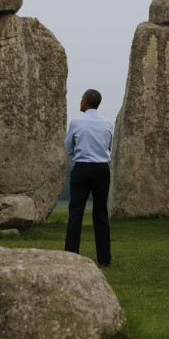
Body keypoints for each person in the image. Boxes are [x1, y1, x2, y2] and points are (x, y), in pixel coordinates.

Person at [64, 89, 114, 267]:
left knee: (76, 212)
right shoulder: (108, 124)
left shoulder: (77, 122)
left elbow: (68, 147)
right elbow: (109, 146)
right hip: (102, 169)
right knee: (101, 213)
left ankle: (71, 255)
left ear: (85, 101)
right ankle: (104, 258)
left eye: (81, 98)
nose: (80, 101)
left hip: (82, 168)